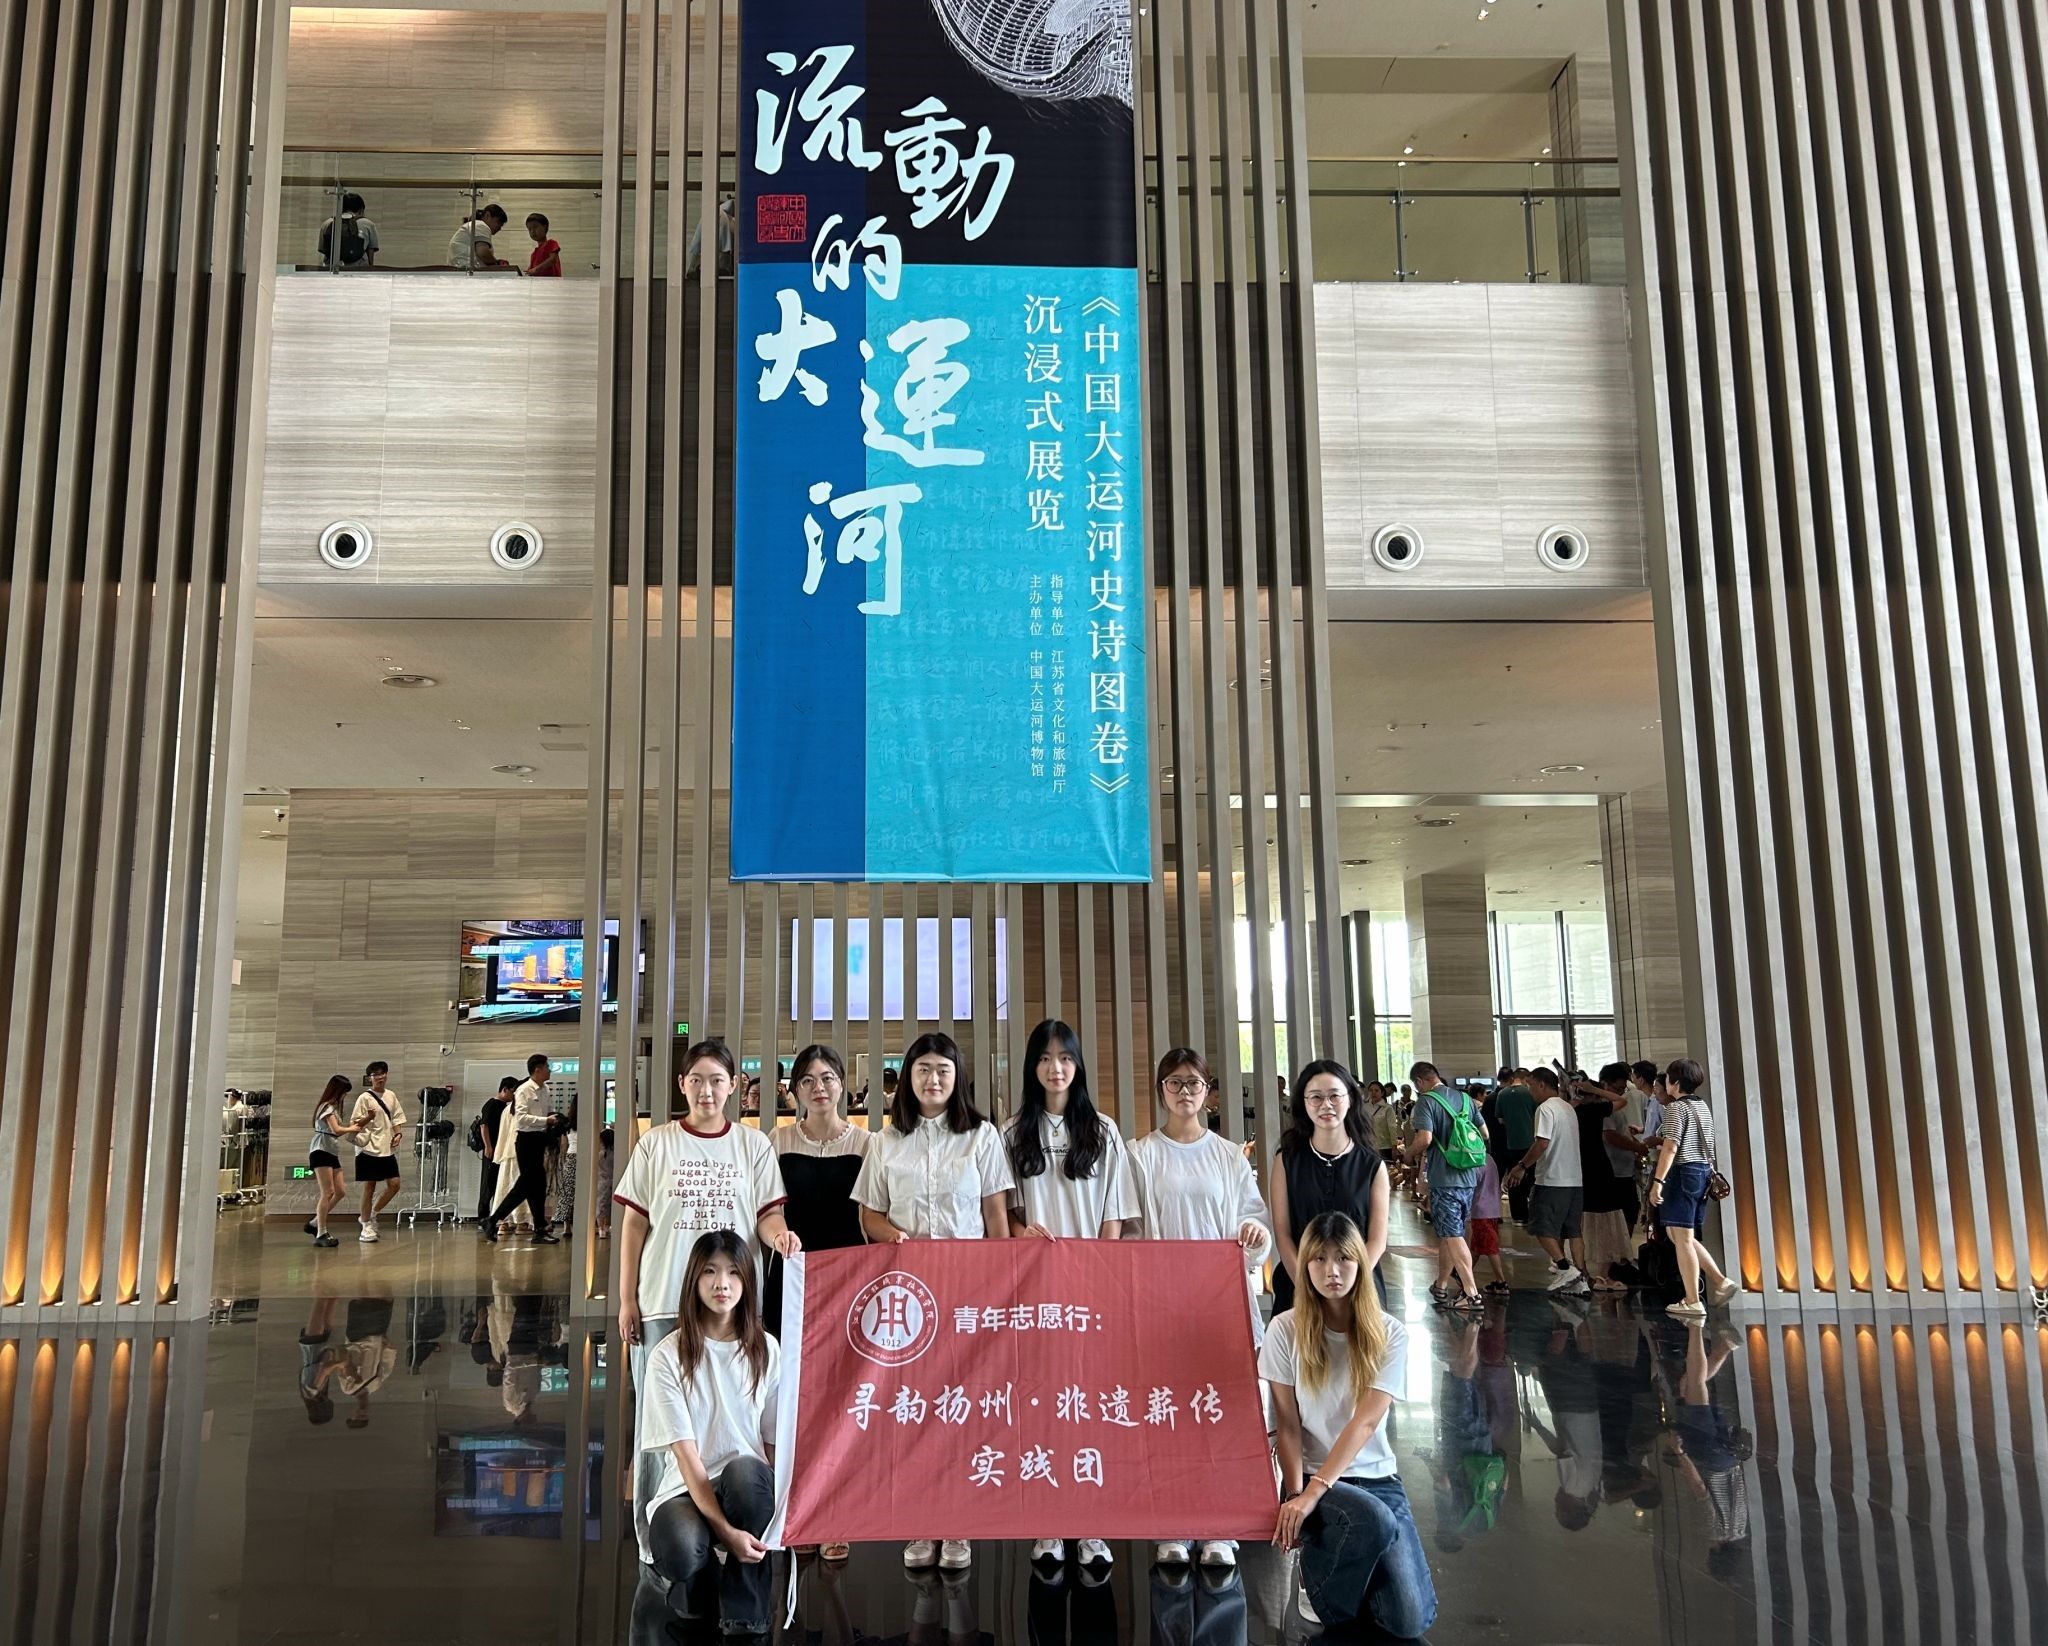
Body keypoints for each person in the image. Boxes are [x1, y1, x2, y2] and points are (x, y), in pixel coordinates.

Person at [853, 1031, 1012, 1572]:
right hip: (909, 1297)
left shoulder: (981, 1136)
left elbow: (995, 1216)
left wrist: (1001, 1285)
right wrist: (893, 1236)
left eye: (943, 1069)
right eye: (923, 1069)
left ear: (957, 1076)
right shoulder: (885, 1140)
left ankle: (958, 1521)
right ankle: (922, 1518)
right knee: (915, 1407)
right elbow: (869, 1214)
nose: (933, 1079)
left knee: (961, 1406)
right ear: (908, 1077)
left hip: (968, 1294)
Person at [1126, 1047, 1272, 1571]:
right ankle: (1172, 1520)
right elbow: (1130, 1230)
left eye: (1194, 1083)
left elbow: (1254, 1223)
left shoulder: (1229, 1155)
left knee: (1220, 1410)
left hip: (1220, 1306)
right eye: (1174, 1082)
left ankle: (1218, 1523)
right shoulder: (1140, 1154)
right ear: (1160, 1090)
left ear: (1207, 1093)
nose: (1184, 1092)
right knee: (1166, 1410)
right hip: (1161, 1304)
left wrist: (1253, 1236)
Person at [1002, 1019, 1137, 1571]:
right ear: (1031, 1066)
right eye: (1044, 1058)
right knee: (1042, 1404)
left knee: (1088, 1404)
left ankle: (1091, 1521)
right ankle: (1049, 1521)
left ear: (1078, 1065)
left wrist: (1095, 1272)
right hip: (1034, 1292)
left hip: (1089, 1290)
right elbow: (1005, 1214)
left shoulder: (1102, 1130)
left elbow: (1115, 1215)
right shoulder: (1013, 1132)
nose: (1055, 1068)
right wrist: (1021, 1237)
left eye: (1065, 1058)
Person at [1264, 1213, 1436, 1637]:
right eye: (1319, 1259)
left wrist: (1311, 1495)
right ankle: (1315, 1577)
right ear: (1305, 1265)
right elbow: (1287, 1424)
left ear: (1361, 1262)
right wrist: (1296, 1497)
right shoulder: (1284, 1329)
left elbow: (1366, 1422)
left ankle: (1349, 1571)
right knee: (1373, 1521)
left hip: (1377, 1478)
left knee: (1409, 1620)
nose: (1332, 1271)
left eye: (1343, 1258)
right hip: (1311, 1477)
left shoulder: (1390, 1333)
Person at [614, 1039, 801, 1355]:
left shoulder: (754, 1145)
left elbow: (768, 1215)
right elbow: (634, 1225)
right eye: (696, 1080)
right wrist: (627, 1299)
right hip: (665, 1299)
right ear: (681, 1084)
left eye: (716, 1080)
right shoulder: (655, 1144)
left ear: (733, 1085)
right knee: (660, 1386)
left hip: (733, 1300)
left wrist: (780, 1237)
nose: (706, 1091)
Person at [636, 1230, 780, 1632]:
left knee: (749, 1473)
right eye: (711, 1272)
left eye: (734, 1272)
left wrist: (776, 1511)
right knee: (682, 1547)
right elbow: (686, 1456)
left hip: (745, 1483)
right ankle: (698, 1585)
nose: (722, 1284)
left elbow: (771, 1443)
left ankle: (746, 1608)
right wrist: (725, 1532)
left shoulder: (766, 1349)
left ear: (747, 1281)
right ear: (694, 1280)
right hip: (686, 1486)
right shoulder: (668, 1355)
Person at [766, 1043, 872, 1341]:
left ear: (841, 1083)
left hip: (849, 1267)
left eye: (827, 1078)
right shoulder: (779, 1139)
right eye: (807, 1080)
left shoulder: (866, 1143)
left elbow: (873, 1213)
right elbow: (768, 1210)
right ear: (796, 1089)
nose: (819, 1087)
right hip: (792, 1265)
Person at [1270, 1060, 1390, 1314]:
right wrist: (1308, 1288)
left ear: (1350, 1099)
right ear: (1303, 1103)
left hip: (1360, 1287)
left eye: (1334, 1096)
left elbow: (1377, 1240)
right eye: (1316, 1097)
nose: (1326, 1105)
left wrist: (1350, 1285)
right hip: (1298, 1286)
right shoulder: (1286, 1161)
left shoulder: (1372, 1165)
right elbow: (1283, 1234)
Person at [1646, 1057, 1740, 1316]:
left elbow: (1670, 1147)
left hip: (1682, 1173)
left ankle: (1693, 1299)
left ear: (1675, 1083)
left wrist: (1658, 1182)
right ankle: (1718, 1281)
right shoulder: (1701, 1105)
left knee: (1682, 1238)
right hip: (1701, 1173)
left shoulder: (1676, 1108)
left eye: (1668, 1078)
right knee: (1679, 1235)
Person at [1401, 1062, 1486, 1312]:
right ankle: (1441, 1284)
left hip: (1444, 1178)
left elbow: (1424, 1139)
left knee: (1453, 1235)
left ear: (1419, 1081)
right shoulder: (1466, 1099)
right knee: (1452, 1232)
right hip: (1468, 1176)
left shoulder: (1426, 1102)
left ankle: (1471, 1293)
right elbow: (1484, 1133)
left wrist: (1408, 1154)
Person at [1503, 1068, 1589, 1293]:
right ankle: (1581, 1278)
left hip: (1552, 1179)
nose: (1530, 1091)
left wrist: (1522, 1166)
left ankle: (1565, 1268)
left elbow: (1542, 1143)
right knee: (1573, 1231)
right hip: (1574, 1179)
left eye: (1531, 1086)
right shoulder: (1568, 1108)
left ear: (1542, 1084)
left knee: (1541, 1227)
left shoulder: (1545, 1108)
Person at [484, 1054, 569, 1245]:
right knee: (527, 1185)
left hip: (539, 1139)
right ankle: (493, 1220)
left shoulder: (545, 1090)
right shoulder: (523, 1090)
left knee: (537, 1186)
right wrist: (546, 1121)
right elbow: (520, 1118)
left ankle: (538, 1229)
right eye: (547, 1067)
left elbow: (548, 1111)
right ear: (537, 1070)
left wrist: (557, 1119)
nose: (549, 1070)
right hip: (526, 1141)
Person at [1573, 1065, 1634, 1292]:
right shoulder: (1595, 1110)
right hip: (1599, 1166)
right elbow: (1620, 1100)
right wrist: (1595, 1090)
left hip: (1578, 1168)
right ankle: (1603, 1274)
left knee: (1581, 1221)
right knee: (1607, 1219)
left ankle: (1583, 1271)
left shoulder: (1570, 1111)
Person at [349, 1062, 407, 1242]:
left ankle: (372, 1213)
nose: (380, 1077)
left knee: (395, 1184)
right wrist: (369, 1117)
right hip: (368, 1148)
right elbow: (355, 1123)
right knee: (370, 1186)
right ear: (370, 1078)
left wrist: (398, 1134)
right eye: (375, 1074)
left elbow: (397, 1118)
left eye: (382, 1073)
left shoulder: (391, 1095)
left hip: (387, 1147)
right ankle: (365, 1225)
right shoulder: (364, 1098)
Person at [304, 1074, 353, 1246]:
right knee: (328, 1192)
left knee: (340, 1191)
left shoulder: (333, 1108)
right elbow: (336, 1130)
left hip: (331, 1151)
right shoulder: (327, 1107)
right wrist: (353, 1127)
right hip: (321, 1151)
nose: (344, 1096)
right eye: (344, 1092)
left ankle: (315, 1222)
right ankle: (321, 1232)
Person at [1492, 1069, 1537, 1222]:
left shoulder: (1502, 1094)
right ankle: (1533, 1214)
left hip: (1511, 1143)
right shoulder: (1529, 1093)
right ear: (1525, 1078)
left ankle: (1518, 1216)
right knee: (1532, 1178)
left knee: (1513, 1180)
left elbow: (1500, 1119)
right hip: (1530, 1143)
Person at [474, 1075, 516, 1231]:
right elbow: (483, 1125)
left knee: (498, 1183)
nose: (513, 1096)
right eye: (512, 1091)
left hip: (501, 1151)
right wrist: (488, 1146)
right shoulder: (492, 1104)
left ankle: (496, 1217)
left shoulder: (506, 1107)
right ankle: (482, 1217)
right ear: (504, 1089)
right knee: (488, 1183)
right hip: (492, 1150)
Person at [1469, 1153, 1508, 1293]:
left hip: (1481, 1210)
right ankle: (1463, 1272)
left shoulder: (1476, 1159)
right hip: (1493, 1209)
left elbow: (1472, 1180)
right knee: (1477, 1245)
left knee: (1490, 1246)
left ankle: (1501, 1281)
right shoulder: (1489, 1158)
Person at [317, 192, 378, 270]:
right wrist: (370, 268)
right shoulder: (368, 224)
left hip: (332, 268)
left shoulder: (327, 223)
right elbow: (370, 251)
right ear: (361, 210)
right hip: (359, 268)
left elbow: (322, 249)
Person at [450, 203, 514, 270]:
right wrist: (497, 263)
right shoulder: (481, 225)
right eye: (498, 222)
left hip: (460, 269)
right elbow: (483, 253)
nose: (499, 228)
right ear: (487, 215)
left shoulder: (473, 225)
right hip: (466, 269)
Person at [525, 212, 562, 276]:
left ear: (545, 227)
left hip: (552, 281)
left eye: (535, 227)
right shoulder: (534, 254)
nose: (532, 231)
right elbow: (531, 270)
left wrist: (536, 269)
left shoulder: (551, 243)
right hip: (539, 282)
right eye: (529, 229)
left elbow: (553, 259)